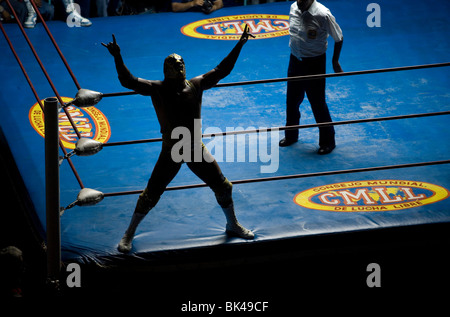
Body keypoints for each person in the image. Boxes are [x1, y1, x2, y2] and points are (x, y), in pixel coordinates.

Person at [102, 26, 255, 253]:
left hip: (194, 147)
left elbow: (223, 70)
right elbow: (128, 81)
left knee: (223, 187)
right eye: (175, 65)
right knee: (151, 194)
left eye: (181, 63)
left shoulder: (196, 84)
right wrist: (118, 57)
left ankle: (232, 224)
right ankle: (129, 233)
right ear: (167, 70)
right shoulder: (157, 88)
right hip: (172, 149)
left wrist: (239, 44)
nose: (180, 66)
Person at [279, 0, 343, 155]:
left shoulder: (323, 14)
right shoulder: (293, 7)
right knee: (292, 101)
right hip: (295, 60)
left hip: (315, 63)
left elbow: (338, 37)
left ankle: (328, 142)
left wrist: (335, 61)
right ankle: (291, 135)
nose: (300, 1)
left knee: (318, 103)